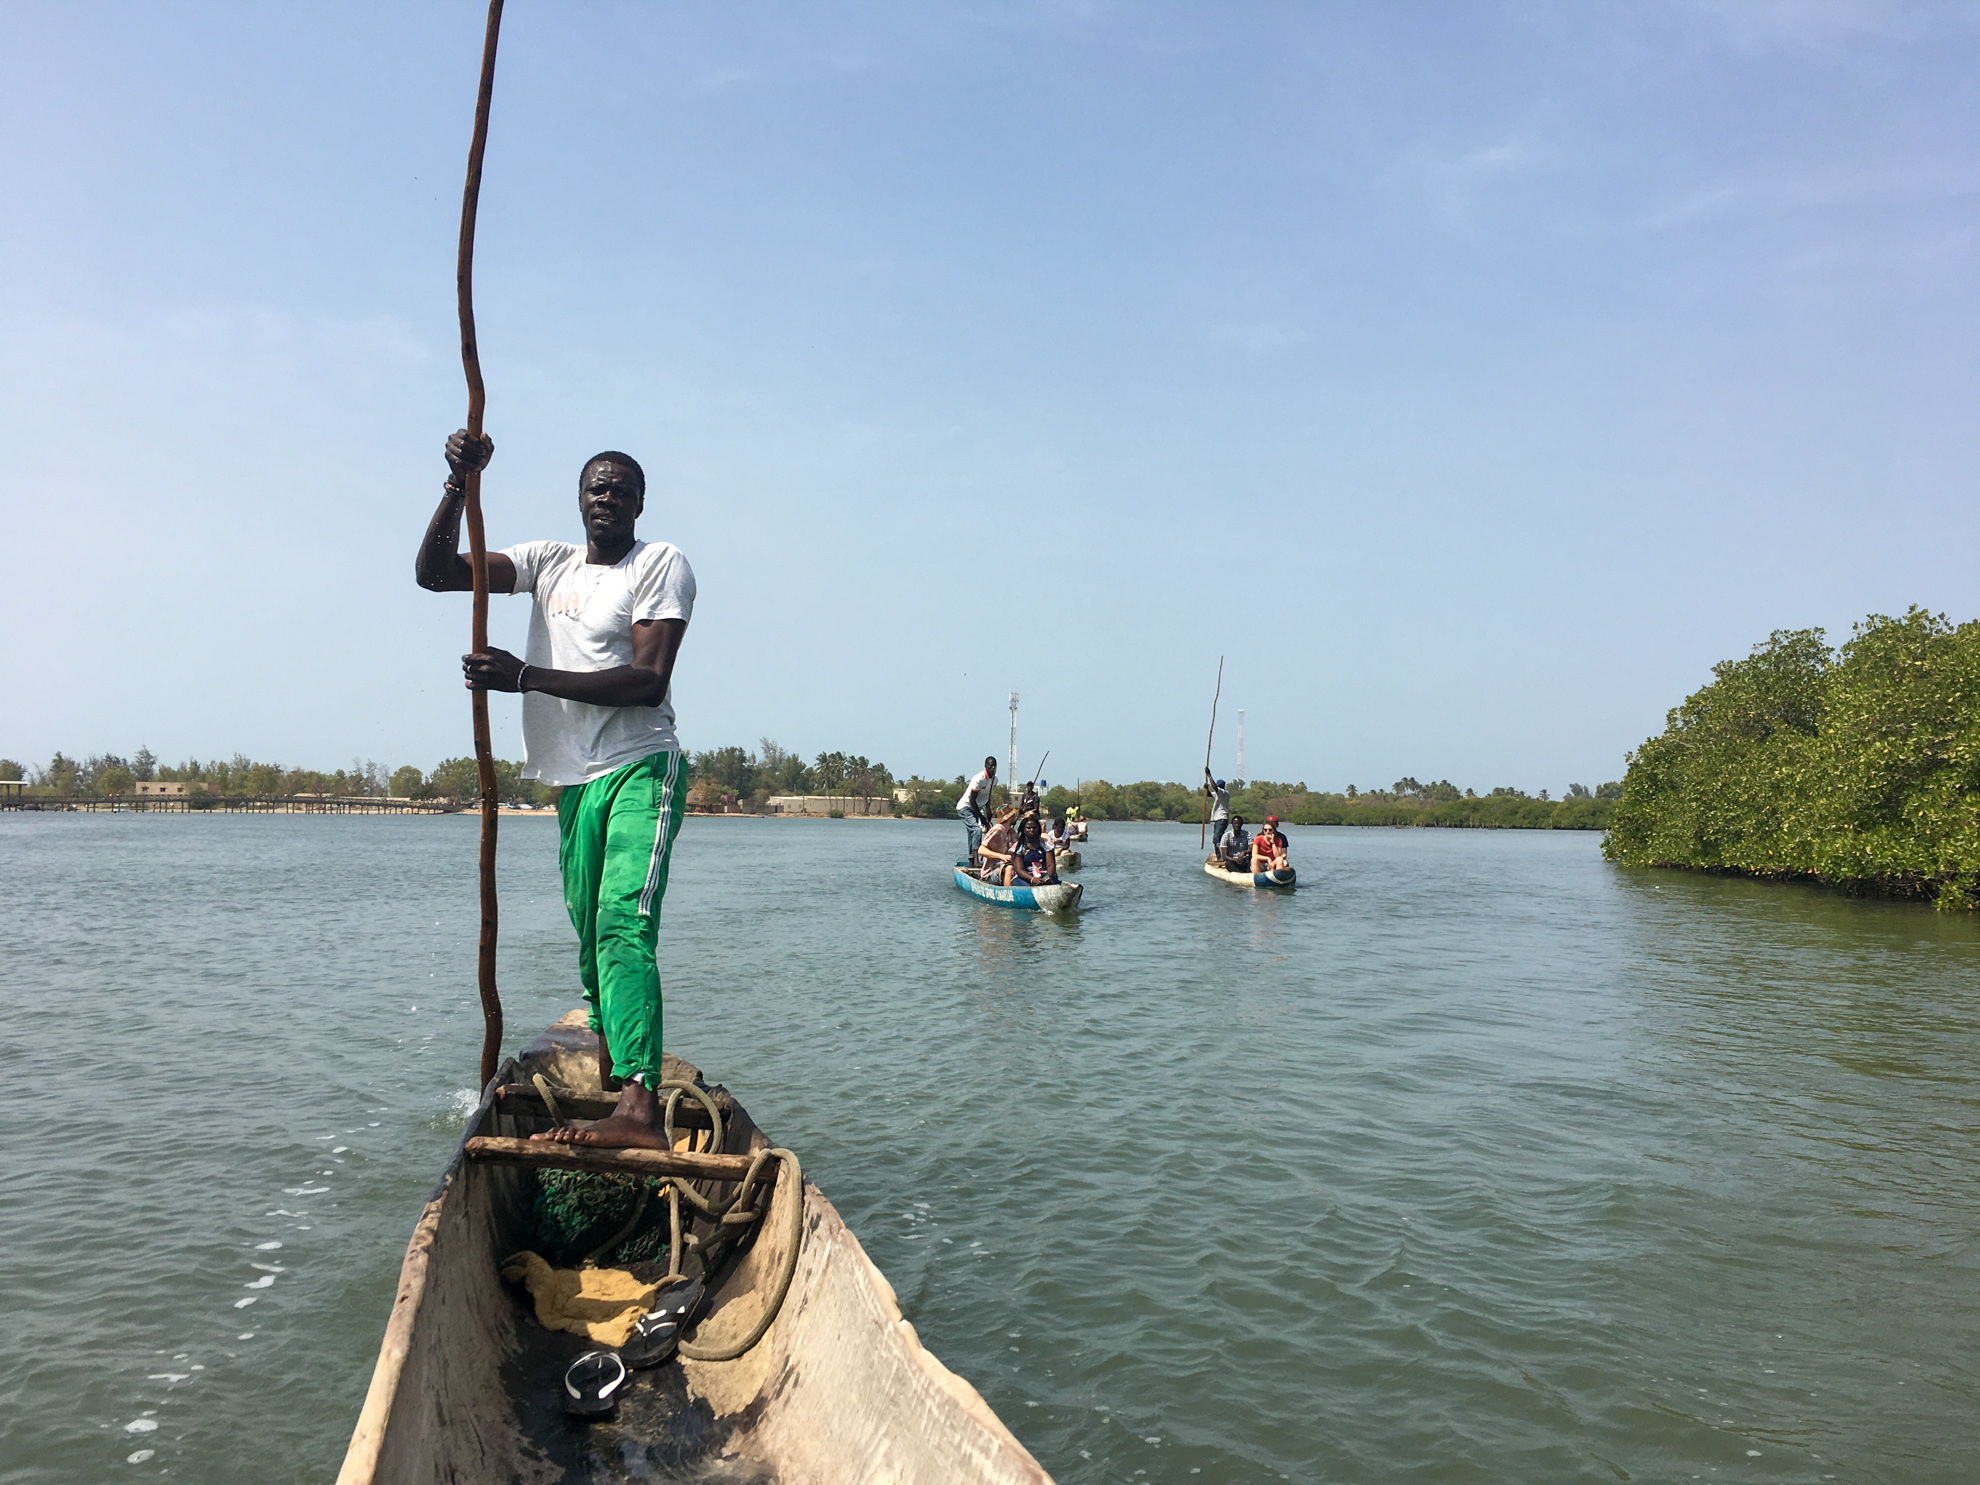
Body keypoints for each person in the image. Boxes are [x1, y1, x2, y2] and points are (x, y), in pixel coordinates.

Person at [417, 429, 694, 1152]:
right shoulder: (549, 564)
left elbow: (647, 680)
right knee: (587, 930)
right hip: (574, 783)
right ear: (579, 499)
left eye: (622, 489)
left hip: (640, 765)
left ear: (639, 503)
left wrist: (525, 676)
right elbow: (437, 572)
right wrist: (457, 483)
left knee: (620, 924)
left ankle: (639, 1107)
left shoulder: (658, 562)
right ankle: (613, 1063)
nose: (608, 498)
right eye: (597, 487)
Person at [958, 755, 998, 865]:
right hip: (966, 807)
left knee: (972, 833)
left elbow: (986, 798)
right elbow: (972, 800)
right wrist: (981, 817)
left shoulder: (995, 780)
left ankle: (971, 860)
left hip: (978, 808)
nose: (993, 768)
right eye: (990, 766)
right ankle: (976, 861)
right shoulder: (979, 779)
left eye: (995, 766)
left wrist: (988, 813)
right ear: (985, 766)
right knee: (976, 830)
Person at [1011, 815, 1059, 887]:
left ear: (1039, 829)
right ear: (1024, 830)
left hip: (1044, 875)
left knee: (1053, 882)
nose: (1032, 830)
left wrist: (1047, 878)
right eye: (1028, 828)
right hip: (1025, 877)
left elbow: (1051, 865)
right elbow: (1019, 870)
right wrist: (1032, 879)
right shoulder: (1019, 846)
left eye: (1034, 828)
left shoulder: (1046, 844)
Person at [977, 807, 1019, 886]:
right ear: (1009, 817)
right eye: (1014, 815)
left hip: (1009, 867)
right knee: (1009, 868)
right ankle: (1008, 893)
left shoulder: (1011, 832)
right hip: (991, 872)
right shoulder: (997, 830)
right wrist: (1001, 856)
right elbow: (981, 850)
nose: (1016, 818)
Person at [1203, 770, 1230, 853]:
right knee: (1219, 838)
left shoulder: (1224, 793)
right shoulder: (1219, 794)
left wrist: (1209, 775)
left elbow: (1214, 787)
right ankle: (1219, 856)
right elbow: (1209, 794)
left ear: (1221, 786)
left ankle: (1223, 854)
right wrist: (1206, 788)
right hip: (1218, 819)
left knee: (1216, 838)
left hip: (1222, 818)